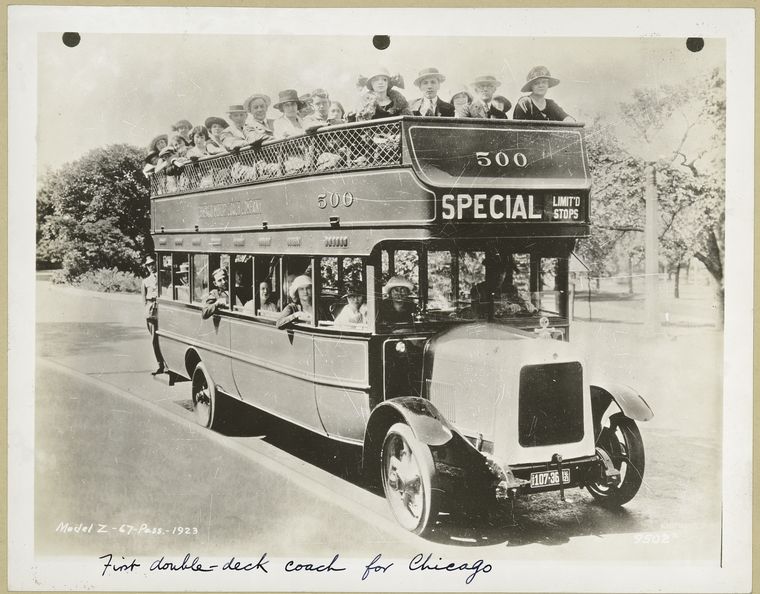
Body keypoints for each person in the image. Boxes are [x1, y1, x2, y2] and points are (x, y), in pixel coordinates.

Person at [470, 253, 537, 318]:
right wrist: (505, 308)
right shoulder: (478, 289)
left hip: (508, 325)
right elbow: (476, 312)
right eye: (496, 272)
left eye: (502, 272)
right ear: (490, 272)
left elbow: (523, 303)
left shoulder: (511, 289)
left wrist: (527, 305)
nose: (499, 276)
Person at [142, 256, 166, 375]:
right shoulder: (145, 281)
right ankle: (160, 364)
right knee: (154, 339)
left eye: (152, 264)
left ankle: (167, 363)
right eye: (148, 265)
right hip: (152, 311)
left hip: (162, 309)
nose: (151, 267)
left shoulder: (163, 277)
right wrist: (148, 311)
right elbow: (144, 300)